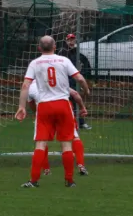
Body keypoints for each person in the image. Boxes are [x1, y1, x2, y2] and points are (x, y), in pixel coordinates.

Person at [15, 35, 91, 188]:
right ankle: (69, 181)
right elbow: (80, 79)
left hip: (44, 106)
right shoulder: (64, 61)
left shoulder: (35, 63)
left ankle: (34, 181)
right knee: (66, 144)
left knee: (41, 144)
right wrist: (86, 89)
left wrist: (21, 106)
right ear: (55, 47)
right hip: (63, 105)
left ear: (39, 48)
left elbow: (25, 86)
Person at [27, 80, 89, 176]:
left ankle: (46, 170)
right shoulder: (56, 81)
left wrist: (37, 113)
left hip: (44, 111)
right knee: (73, 138)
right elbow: (75, 93)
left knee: (41, 142)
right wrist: (82, 107)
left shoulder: (30, 86)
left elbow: (31, 104)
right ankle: (80, 166)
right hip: (63, 109)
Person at [58, 33, 91, 130]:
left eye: (73, 40)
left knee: (76, 100)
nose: (71, 42)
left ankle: (80, 122)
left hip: (73, 79)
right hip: (65, 79)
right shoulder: (63, 52)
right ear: (66, 41)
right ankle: (72, 122)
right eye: (69, 40)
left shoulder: (75, 52)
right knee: (69, 100)